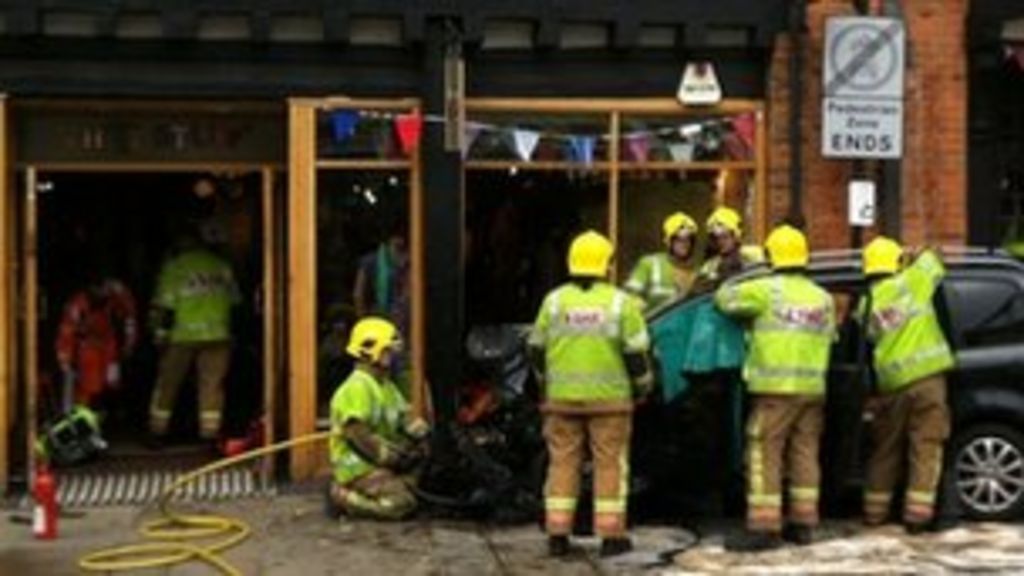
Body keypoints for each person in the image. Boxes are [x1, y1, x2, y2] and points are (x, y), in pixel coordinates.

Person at [528, 230, 653, 558]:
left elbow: (536, 349)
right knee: (609, 464)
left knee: (562, 464)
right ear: (606, 265)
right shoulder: (620, 302)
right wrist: (643, 387)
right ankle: (611, 537)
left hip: (562, 399)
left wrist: (544, 385)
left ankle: (557, 534)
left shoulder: (554, 301)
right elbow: (636, 354)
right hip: (610, 401)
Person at [715, 225, 836, 551]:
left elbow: (723, 300)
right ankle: (803, 523)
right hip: (812, 390)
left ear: (770, 256)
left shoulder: (766, 291)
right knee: (804, 454)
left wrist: (740, 274)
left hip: (775, 390)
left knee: (763, 453)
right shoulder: (823, 298)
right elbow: (831, 339)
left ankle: (764, 528)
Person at [859, 237, 954, 534]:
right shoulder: (914, 281)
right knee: (924, 448)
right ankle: (917, 517)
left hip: (892, 385)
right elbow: (937, 254)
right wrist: (916, 255)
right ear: (896, 262)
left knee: (885, 449)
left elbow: (864, 342)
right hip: (928, 380)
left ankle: (874, 513)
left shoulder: (866, 303)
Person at [326, 316, 428, 520]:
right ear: (371, 350)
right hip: (359, 468)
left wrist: (427, 436)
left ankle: (397, 485)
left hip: (380, 463)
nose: (392, 356)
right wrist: (392, 457)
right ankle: (343, 497)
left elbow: (404, 419)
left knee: (426, 484)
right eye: (388, 350)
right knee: (401, 504)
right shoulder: (357, 387)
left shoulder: (386, 386)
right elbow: (359, 436)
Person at [148, 231, 240, 444]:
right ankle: (209, 435)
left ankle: (157, 432)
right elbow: (235, 301)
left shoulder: (176, 267)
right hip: (218, 334)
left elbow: (165, 307)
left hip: (182, 336)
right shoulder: (220, 266)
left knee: (168, 385)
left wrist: (159, 336)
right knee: (212, 386)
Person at [55, 273, 138, 411]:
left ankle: (105, 416)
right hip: (87, 351)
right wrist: (64, 358)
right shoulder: (78, 303)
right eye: (100, 289)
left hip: (110, 351)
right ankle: (83, 418)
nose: (103, 292)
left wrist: (128, 346)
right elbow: (67, 330)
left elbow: (129, 318)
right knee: (88, 388)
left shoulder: (116, 298)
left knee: (111, 386)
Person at [624, 212, 699, 309]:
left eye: (688, 240)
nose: (684, 244)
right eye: (678, 239)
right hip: (653, 323)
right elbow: (628, 298)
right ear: (668, 241)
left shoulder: (696, 271)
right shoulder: (649, 264)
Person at [694, 206, 764, 292]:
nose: (721, 242)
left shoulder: (754, 255)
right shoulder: (710, 267)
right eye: (716, 238)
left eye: (725, 237)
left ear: (735, 236)